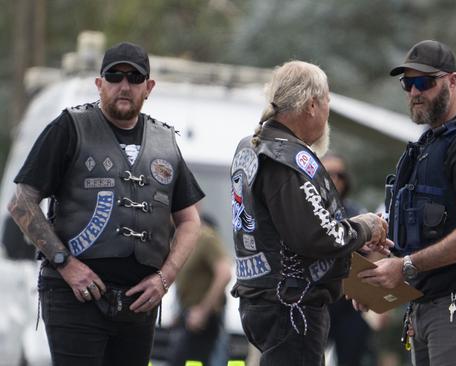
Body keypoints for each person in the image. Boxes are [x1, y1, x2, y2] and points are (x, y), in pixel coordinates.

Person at [7, 41, 204, 366]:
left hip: (138, 302)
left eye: (134, 77)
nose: (124, 86)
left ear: (148, 87)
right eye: (114, 76)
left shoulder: (165, 142)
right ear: (99, 84)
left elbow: (190, 221)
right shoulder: (69, 127)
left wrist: (164, 278)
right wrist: (66, 265)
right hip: (74, 297)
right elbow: (21, 204)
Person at [230, 60, 390, 366]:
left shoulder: (253, 146)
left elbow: (285, 229)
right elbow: (316, 236)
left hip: (266, 300)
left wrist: (354, 241)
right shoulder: (287, 158)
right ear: (312, 105)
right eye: (328, 100)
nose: (328, 109)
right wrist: (365, 226)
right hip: (291, 306)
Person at [356, 40, 456, 366]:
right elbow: (413, 239)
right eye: (407, 83)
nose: (414, 92)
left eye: (424, 82)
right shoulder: (427, 144)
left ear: (452, 81)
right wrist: (375, 279)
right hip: (426, 306)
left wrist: (405, 266)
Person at [321, 153, 377, 366]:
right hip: (319, 299)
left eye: (339, 174)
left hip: (350, 302)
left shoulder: (356, 211)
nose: (334, 179)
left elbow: (376, 254)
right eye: (328, 174)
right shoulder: (309, 212)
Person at [168, 215, 232, 366]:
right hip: (187, 315)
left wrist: (203, 311)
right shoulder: (179, 241)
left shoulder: (205, 238)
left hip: (206, 319)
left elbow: (224, 273)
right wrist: (178, 312)